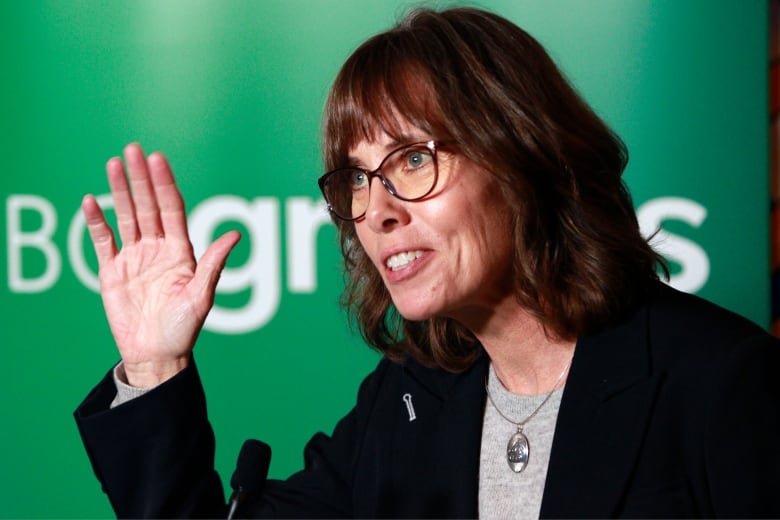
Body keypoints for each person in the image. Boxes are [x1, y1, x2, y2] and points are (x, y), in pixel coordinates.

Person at [74, 6, 780, 518]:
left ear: (521, 154)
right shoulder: (405, 400)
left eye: (413, 159)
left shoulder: (724, 382)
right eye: (355, 176)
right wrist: (154, 369)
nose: (375, 210)